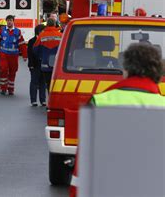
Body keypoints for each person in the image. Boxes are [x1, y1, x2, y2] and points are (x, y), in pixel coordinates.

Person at [70, 43, 165, 197]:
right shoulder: (162, 105)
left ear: (126, 69)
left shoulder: (99, 101)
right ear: (158, 74)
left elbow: (84, 162)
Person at [0, 15, 27, 95]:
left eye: (10, 20)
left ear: (13, 21)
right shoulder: (2, 31)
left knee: (13, 71)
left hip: (14, 56)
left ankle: (11, 89)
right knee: (3, 69)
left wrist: (25, 55)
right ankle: (3, 88)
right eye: (8, 20)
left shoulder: (17, 32)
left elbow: (21, 44)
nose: (9, 22)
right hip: (3, 54)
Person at [34, 18, 62, 90]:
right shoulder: (60, 35)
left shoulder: (42, 35)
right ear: (55, 25)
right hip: (57, 64)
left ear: (46, 25)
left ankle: (50, 96)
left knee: (48, 83)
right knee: (57, 85)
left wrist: (41, 57)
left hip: (45, 63)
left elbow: (35, 49)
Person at [28, 24, 47, 106]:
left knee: (43, 83)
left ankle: (43, 100)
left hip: (43, 64)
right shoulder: (32, 41)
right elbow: (30, 54)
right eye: (43, 31)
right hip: (35, 64)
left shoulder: (45, 40)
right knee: (34, 82)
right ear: (39, 31)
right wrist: (31, 64)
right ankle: (33, 100)